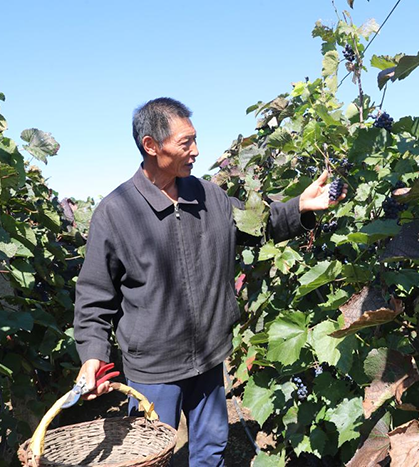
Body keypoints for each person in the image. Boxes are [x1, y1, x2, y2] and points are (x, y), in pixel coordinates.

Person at [73, 97, 346, 466]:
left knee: (211, 450)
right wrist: (93, 355)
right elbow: (94, 295)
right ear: (151, 145)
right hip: (154, 369)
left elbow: (258, 225)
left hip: (209, 357)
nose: (196, 151)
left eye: (195, 139)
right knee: (150, 456)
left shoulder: (210, 196)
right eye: (185, 142)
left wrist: (300, 207)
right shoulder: (116, 213)